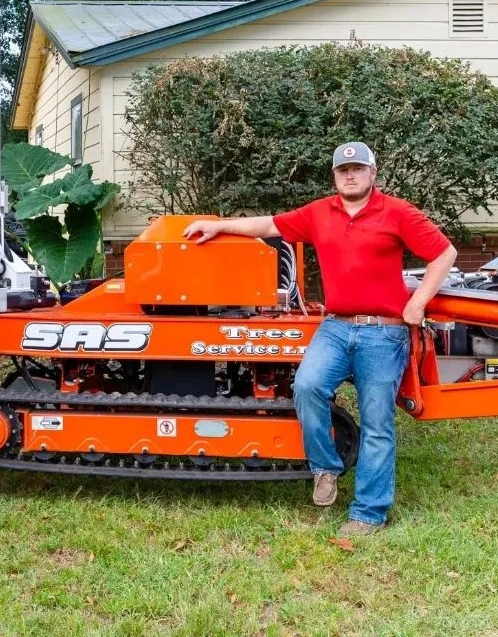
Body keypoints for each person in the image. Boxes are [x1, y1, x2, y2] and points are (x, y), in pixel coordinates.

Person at [183, 141, 456, 537]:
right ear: (335, 176)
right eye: (343, 170)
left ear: (372, 174)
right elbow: (270, 225)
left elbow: (443, 254)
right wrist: (221, 225)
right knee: (307, 386)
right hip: (336, 326)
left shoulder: (397, 212)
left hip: (384, 331)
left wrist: (417, 303)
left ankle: (368, 513)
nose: (350, 175)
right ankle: (325, 467)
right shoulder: (319, 212)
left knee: (377, 422)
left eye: (358, 169)